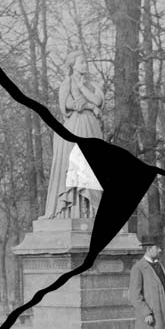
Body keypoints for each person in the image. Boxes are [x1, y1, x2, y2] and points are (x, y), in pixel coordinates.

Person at [43, 51, 105, 219]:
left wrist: (83, 90)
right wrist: (90, 107)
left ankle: (94, 209)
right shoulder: (67, 83)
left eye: (85, 62)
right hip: (75, 126)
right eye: (81, 62)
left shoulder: (92, 84)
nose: (85, 65)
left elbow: (98, 100)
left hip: (91, 127)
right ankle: (75, 210)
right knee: (77, 165)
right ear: (73, 65)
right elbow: (67, 105)